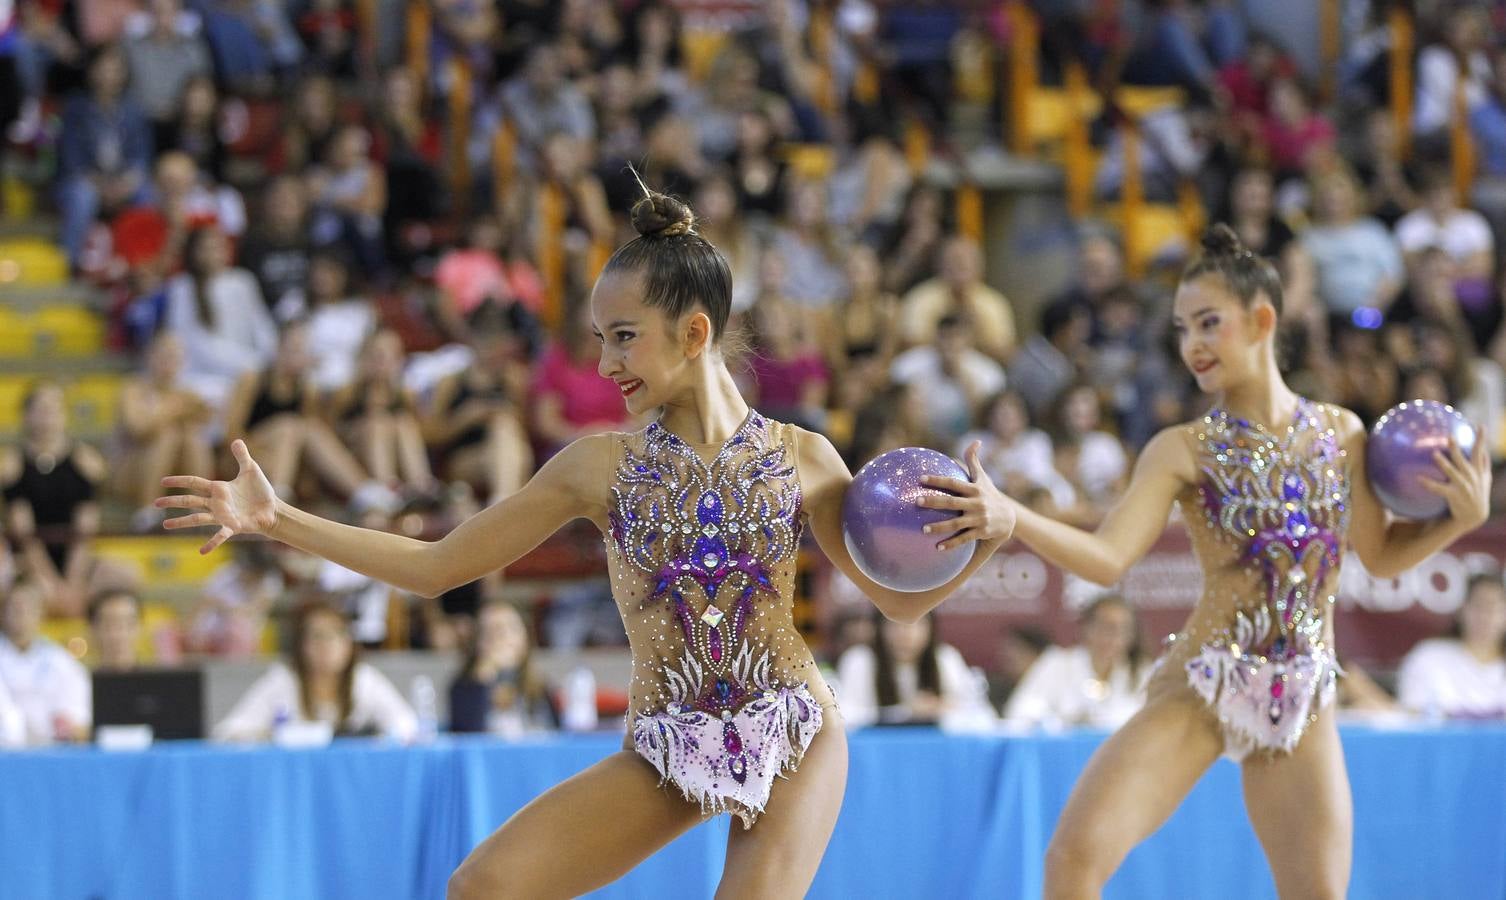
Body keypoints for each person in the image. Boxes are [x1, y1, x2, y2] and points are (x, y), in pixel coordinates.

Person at [158, 183, 1016, 897]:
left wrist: (983, 540)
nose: (605, 364)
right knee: (482, 888)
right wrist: (279, 520)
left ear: (695, 333)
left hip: (794, 728)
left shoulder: (804, 457)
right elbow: (431, 570)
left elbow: (900, 602)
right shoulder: (592, 468)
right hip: (669, 742)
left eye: (623, 337)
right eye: (600, 339)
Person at [992, 224, 1490, 898]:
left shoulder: (1342, 433)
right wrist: (1013, 515)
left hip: (1304, 690)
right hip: (1207, 680)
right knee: (1074, 860)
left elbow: (1378, 555)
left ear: (1262, 320)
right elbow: (1107, 559)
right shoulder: (1182, 448)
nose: (1192, 345)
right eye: (1181, 329)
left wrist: (1462, 520)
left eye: (1207, 323)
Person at [213, 598, 417, 742]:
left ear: (349, 644)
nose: (326, 645)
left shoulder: (364, 680)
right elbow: (228, 732)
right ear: (302, 645)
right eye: (317, 636)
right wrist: (273, 737)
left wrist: (376, 739)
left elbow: (407, 726)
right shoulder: (282, 682)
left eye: (335, 635)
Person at [1003, 593, 1147, 728]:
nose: (1113, 636)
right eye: (1106, 626)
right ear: (1086, 628)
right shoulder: (1056, 663)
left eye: (1123, 629)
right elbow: (1019, 712)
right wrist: (1065, 722)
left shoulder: (1142, 672)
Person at [835, 610, 990, 728]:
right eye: (895, 624)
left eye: (917, 624)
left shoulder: (945, 658)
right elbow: (845, 718)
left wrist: (943, 709)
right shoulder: (860, 660)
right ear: (879, 628)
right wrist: (906, 713)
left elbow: (980, 718)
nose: (905, 634)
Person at [1396, 573, 1506, 719]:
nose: (1487, 616)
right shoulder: (1428, 657)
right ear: (1461, 610)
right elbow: (1411, 719)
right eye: (1479, 605)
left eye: (1496, 608)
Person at [0, 581, 91, 744]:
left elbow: (77, 717)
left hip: (49, 751)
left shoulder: (61, 661)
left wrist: (68, 726)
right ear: (3, 612)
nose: (22, 614)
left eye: (28, 608)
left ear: (41, 613)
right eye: (15, 607)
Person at [448, 598, 556, 735]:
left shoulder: (541, 687)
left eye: (510, 628)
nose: (501, 638)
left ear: (525, 637)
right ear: (477, 642)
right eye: (491, 631)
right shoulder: (462, 687)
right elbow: (467, 738)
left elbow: (557, 738)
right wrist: (483, 677)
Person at [89, 588, 143, 671]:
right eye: (108, 624)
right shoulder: (80, 681)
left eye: (128, 624)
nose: (118, 634)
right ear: (93, 628)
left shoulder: (158, 682)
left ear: (139, 627)